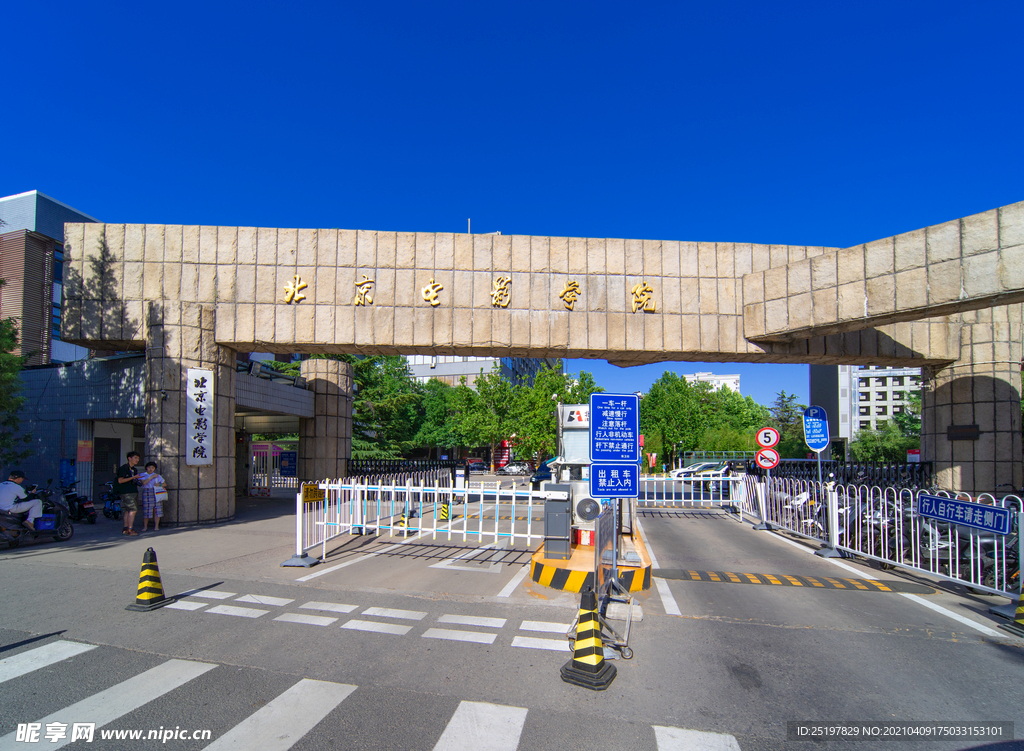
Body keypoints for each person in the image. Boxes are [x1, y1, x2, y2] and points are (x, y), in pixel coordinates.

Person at [116, 451, 141, 536]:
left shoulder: (134, 469)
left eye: (138, 458)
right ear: (129, 458)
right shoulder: (124, 468)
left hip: (133, 490)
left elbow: (134, 480)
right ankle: (130, 529)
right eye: (135, 458)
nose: (137, 460)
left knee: (128, 510)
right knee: (133, 510)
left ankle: (126, 528)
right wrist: (133, 477)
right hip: (126, 492)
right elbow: (120, 480)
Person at [137, 462, 165, 533]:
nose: (151, 469)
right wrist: (151, 477)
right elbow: (144, 483)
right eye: (149, 467)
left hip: (156, 491)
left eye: (152, 468)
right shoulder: (142, 475)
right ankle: (145, 526)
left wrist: (159, 484)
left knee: (157, 509)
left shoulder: (157, 476)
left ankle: (156, 526)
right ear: (146, 468)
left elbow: (164, 484)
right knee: (147, 510)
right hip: (147, 491)